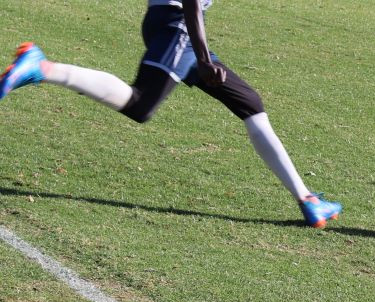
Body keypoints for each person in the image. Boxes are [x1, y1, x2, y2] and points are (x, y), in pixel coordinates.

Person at [0, 0, 342, 228]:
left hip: (175, 26)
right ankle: (42, 67)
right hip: (179, 27)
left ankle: (308, 199)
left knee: (250, 103)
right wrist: (205, 58)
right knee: (140, 105)